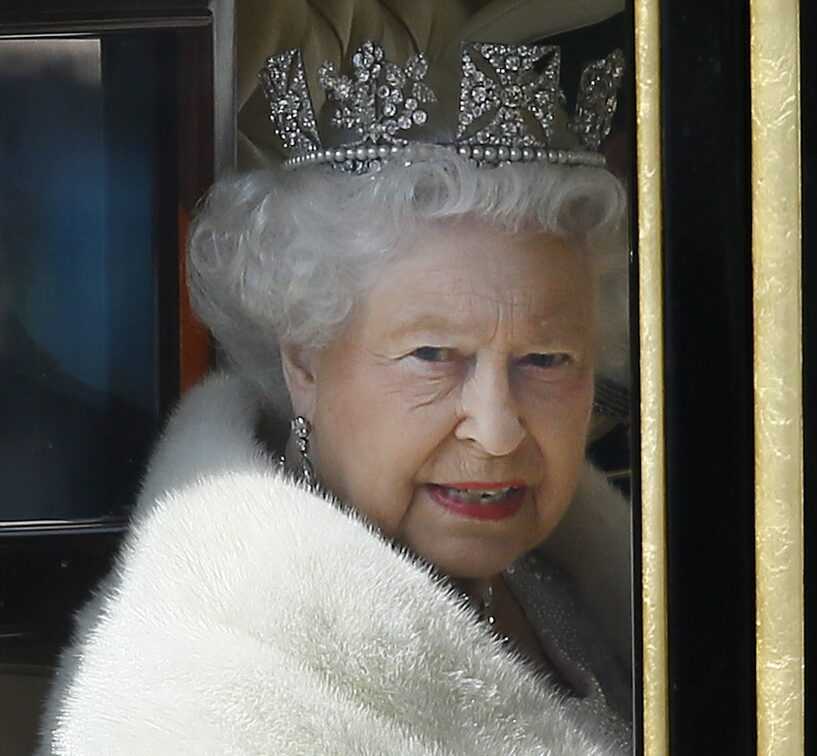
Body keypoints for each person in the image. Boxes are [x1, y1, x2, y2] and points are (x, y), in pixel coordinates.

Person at [37, 29, 633, 755]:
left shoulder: (574, 582)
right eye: (433, 355)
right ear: (304, 364)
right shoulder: (197, 706)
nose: (497, 428)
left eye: (545, 359)